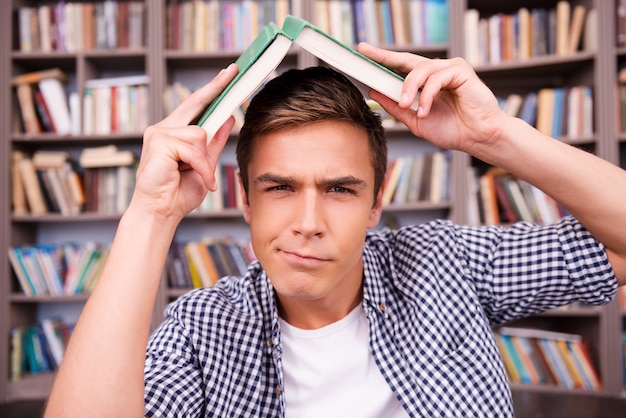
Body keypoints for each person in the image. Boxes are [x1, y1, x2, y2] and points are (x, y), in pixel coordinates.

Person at [44, 44, 626, 418]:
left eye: (341, 189)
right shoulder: (201, 329)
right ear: (244, 199)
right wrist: (151, 213)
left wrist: (494, 138)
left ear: (376, 202)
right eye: (279, 187)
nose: (307, 224)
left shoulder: (446, 264)